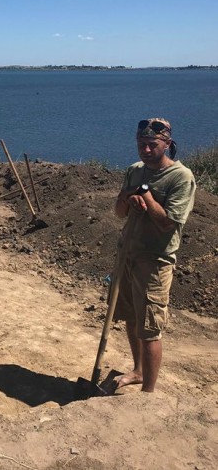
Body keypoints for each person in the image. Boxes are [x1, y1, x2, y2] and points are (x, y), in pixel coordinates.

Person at [108, 118, 195, 393]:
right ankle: (137, 371)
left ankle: (149, 394)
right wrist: (129, 199)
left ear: (167, 144)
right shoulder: (134, 171)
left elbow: (169, 222)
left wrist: (145, 197)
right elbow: (119, 213)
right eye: (141, 144)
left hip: (154, 261)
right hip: (128, 255)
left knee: (149, 328)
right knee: (132, 319)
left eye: (152, 145)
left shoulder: (181, 177)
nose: (145, 150)